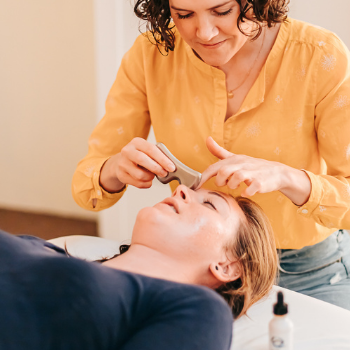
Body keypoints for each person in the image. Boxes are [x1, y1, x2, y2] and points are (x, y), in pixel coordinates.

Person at [72, 0, 350, 309]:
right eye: (184, 14)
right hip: (196, 272)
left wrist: (288, 177)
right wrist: (114, 170)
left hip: (309, 271)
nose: (204, 32)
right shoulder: (150, 55)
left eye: (221, 11)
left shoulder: (319, 56)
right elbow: (86, 189)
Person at [0, 186, 277, 350]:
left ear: (227, 267)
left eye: (209, 204)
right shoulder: (43, 248)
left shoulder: (200, 310)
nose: (181, 190)